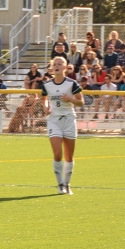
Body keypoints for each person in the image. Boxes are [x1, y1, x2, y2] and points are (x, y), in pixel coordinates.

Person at [39, 56, 85, 195]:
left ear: (65, 68)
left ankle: (67, 184)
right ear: (52, 68)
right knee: (58, 153)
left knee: (69, 156)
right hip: (54, 120)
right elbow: (43, 99)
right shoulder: (47, 85)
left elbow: (81, 101)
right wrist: (45, 107)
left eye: (60, 64)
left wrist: (70, 99)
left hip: (69, 120)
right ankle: (60, 184)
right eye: (55, 64)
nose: (57, 66)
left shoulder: (72, 84)